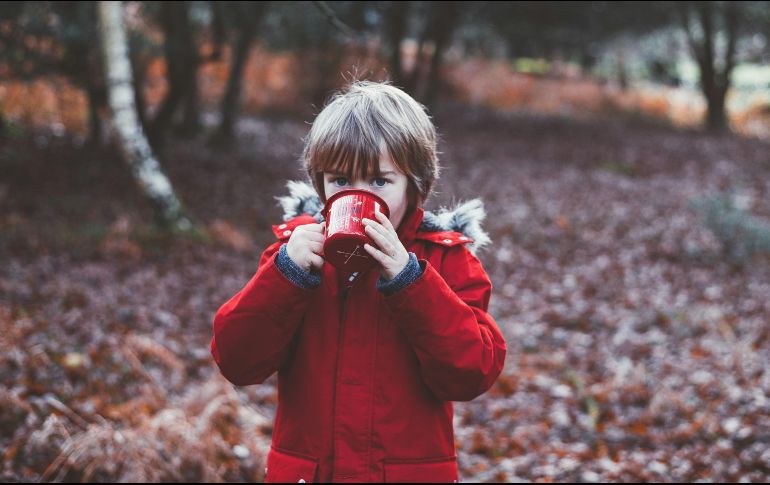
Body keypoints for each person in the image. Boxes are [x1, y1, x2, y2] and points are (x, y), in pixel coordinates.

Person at [210, 80, 507, 483]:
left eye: (380, 181)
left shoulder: (444, 260)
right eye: (340, 180)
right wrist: (287, 274)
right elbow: (237, 360)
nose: (357, 194)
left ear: (414, 183)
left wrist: (410, 281)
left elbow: (472, 372)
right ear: (321, 183)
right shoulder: (294, 254)